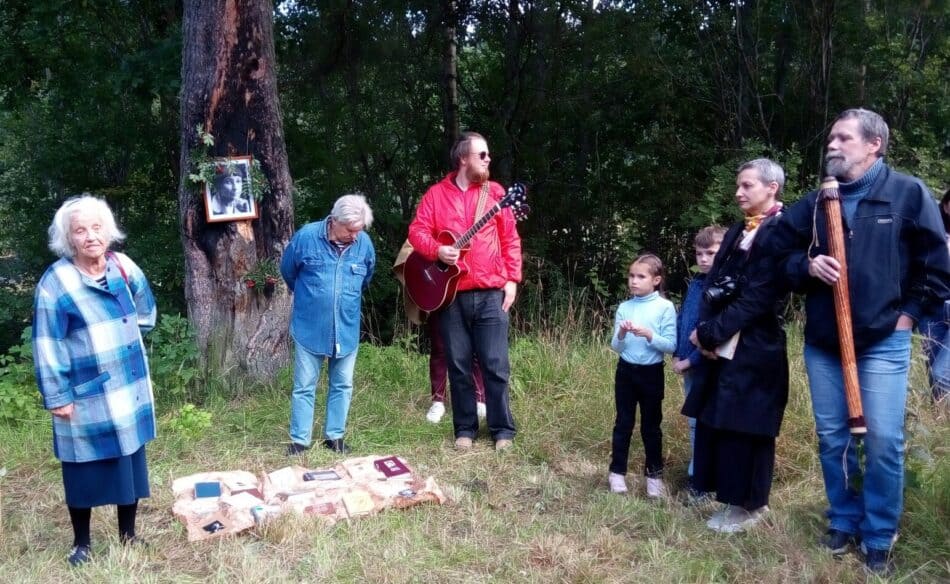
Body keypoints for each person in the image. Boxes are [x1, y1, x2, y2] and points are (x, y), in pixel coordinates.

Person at [773, 108, 950, 574]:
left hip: (883, 340)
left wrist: (909, 316)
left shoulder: (907, 194)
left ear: (875, 145)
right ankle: (844, 520)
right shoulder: (814, 204)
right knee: (834, 438)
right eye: (831, 137)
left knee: (885, 440)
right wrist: (805, 266)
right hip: (825, 341)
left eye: (844, 138)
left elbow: (936, 266)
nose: (832, 144)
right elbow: (774, 254)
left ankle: (878, 534)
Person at [32, 195, 158, 567]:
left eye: (97, 227)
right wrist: (57, 395)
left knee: (129, 465)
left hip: (128, 388)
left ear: (109, 231)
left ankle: (128, 534)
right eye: (80, 230)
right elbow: (46, 343)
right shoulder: (56, 282)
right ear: (69, 239)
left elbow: (146, 311)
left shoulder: (123, 267)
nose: (90, 236)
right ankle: (82, 543)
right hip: (84, 394)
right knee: (81, 468)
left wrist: (123, 340)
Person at [685, 158, 789, 534]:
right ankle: (729, 500)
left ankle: (750, 505)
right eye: (738, 185)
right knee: (722, 419)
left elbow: (760, 297)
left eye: (747, 186)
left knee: (748, 424)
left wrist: (711, 333)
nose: (738, 192)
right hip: (722, 340)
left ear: (771, 187)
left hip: (756, 345)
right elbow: (716, 281)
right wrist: (705, 331)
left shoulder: (780, 230)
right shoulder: (737, 229)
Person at [407, 131, 522, 451]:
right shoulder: (435, 195)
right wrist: (437, 251)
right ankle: (465, 430)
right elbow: (417, 232)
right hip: (450, 295)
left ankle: (502, 431)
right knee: (458, 364)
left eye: (488, 155)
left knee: (495, 364)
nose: (488, 160)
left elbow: (511, 238)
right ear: (463, 159)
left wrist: (512, 279)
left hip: (490, 292)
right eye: (482, 155)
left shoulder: (496, 192)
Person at [281, 194, 376, 456]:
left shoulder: (364, 244)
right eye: (350, 230)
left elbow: (366, 276)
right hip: (309, 326)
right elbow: (288, 272)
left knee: (343, 384)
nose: (355, 236)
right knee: (304, 385)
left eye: (359, 230)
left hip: (346, 327)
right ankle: (300, 441)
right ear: (334, 221)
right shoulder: (306, 237)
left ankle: (334, 437)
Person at [607, 254, 677, 498]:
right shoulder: (625, 308)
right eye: (631, 276)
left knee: (651, 426)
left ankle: (654, 476)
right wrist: (623, 334)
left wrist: (649, 335)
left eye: (641, 276)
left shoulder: (665, 308)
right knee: (623, 423)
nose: (634, 281)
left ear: (656, 280)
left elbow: (670, 345)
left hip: (652, 373)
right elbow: (616, 347)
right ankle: (617, 473)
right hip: (626, 371)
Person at [672, 225, 725, 495]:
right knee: (694, 422)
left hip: (708, 366)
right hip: (687, 364)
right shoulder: (695, 285)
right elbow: (684, 322)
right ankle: (696, 475)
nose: (703, 259)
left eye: (711, 253)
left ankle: (705, 479)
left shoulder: (723, 287)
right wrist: (676, 353)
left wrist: (691, 361)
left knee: (709, 423)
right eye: (699, 253)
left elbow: (713, 330)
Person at [424, 312, 487, 424]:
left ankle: (479, 399)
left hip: (467, 297)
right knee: (439, 349)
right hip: (441, 302)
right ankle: (438, 401)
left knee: (475, 348)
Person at [918, 189, 950, 402]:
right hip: (930, 308)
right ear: (947, 204)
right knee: (933, 370)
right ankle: (941, 423)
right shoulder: (929, 228)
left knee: (942, 374)